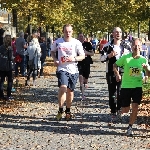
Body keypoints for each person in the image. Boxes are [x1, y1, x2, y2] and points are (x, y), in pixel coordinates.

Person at [113, 38, 150, 136]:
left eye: (138, 46)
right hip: (126, 86)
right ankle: (121, 110)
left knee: (135, 107)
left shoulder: (143, 59)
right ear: (132, 46)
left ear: (141, 47)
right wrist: (117, 74)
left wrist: (146, 69)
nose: (136, 47)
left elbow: (149, 74)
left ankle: (130, 127)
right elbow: (115, 65)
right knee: (126, 109)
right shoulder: (126, 58)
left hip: (137, 86)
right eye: (135, 45)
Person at [51, 24, 85, 121]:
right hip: (62, 69)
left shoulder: (76, 42)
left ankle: (68, 110)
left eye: (69, 31)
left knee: (70, 91)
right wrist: (55, 59)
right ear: (63, 32)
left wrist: (74, 58)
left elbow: (82, 56)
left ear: (72, 32)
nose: (68, 33)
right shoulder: (58, 42)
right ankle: (60, 109)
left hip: (73, 70)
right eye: (66, 31)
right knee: (63, 87)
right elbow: (52, 52)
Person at [100, 27, 131, 122]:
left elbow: (131, 58)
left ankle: (119, 110)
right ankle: (113, 110)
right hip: (110, 72)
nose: (118, 34)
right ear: (112, 34)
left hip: (123, 72)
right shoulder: (107, 46)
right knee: (112, 93)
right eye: (116, 32)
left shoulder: (126, 45)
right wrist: (109, 56)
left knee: (121, 92)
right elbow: (101, 58)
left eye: (120, 32)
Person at [78, 33, 94, 100]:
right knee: (81, 78)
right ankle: (83, 94)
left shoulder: (88, 44)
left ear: (84, 37)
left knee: (85, 80)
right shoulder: (76, 44)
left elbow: (92, 53)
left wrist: (87, 53)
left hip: (87, 63)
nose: (81, 38)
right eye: (80, 36)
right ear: (78, 37)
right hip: (79, 63)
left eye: (82, 36)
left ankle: (84, 87)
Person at [0, 35, 14, 100]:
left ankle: (1, 95)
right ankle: (8, 95)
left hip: (1, 66)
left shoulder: (1, 47)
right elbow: (10, 58)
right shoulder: (10, 48)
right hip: (8, 66)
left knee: (1, 81)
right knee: (10, 81)